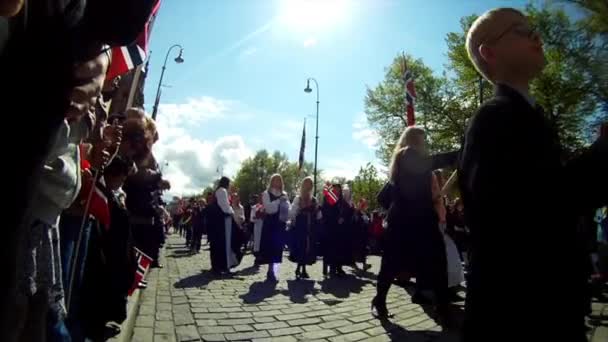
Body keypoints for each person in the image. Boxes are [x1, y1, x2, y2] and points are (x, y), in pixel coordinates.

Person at [459, 8, 607, 341]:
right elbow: (527, 212)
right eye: (521, 31)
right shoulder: (493, 118)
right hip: (518, 315)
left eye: (533, 29)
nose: (536, 37)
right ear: (490, 52)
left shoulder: (530, 115)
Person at [371, 126, 452, 319]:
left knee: (438, 262)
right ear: (414, 139)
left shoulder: (415, 160)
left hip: (423, 219)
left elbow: (384, 198)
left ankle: (442, 306)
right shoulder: (406, 155)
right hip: (403, 222)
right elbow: (429, 163)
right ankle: (379, 301)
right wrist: (458, 154)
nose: (425, 142)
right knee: (391, 264)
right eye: (422, 138)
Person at [288, 177, 321, 279]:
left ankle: (302, 269)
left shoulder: (314, 199)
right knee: (301, 247)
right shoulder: (298, 199)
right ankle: (300, 268)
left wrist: (317, 211)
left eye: (310, 184)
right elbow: (292, 213)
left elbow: (319, 214)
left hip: (311, 226)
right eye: (307, 184)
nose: (308, 186)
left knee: (308, 247)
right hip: (300, 226)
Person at [259, 174, 291, 281]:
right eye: (275, 180)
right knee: (269, 246)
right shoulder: (266, 193)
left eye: (279, 180)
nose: (277, 182)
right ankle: (270, 270)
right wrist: (278, 201)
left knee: (277, 248)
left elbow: (288, 209)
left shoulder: (284, 194)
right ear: (272, 181)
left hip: (280, 224)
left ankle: (273, 269)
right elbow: (268, 209)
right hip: (270, 223)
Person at [208, 177, 240, 274]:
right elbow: (225, 207)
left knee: (217, 243)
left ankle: (217, 266)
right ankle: (221, 266)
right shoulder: (222, 191)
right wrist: (232, 212)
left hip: (217, 220)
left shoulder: (219, 191)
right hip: (221, 220)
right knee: (222, 242)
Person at [321, 184, 354, 277]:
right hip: (330, 228)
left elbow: (348, 211)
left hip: (340, 229)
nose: (337, 191)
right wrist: (336, 219)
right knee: (330, 249)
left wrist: (344, 217)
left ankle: (339, 267)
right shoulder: (327, 198)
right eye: (335, 190)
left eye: (339, 190)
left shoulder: (342, 201)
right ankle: (331, 267)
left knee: (340, 248)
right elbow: (325, 211)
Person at [352, 199, 371, 271]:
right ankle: (353, 264)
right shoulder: (357, 213)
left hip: (364, 235)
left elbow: (368, 223)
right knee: (356, 250)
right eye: (364, 205)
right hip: (358, 235)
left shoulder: (365, 213)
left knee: (363, 250)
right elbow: (356, 223)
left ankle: (364, 265)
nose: (366, 206)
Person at [250, 194, 264, 259]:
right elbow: (251, 219)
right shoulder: (254, 207)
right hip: (257, 227)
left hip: (265, 227)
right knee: (257, 243)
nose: (261, 199)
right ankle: (257, 257)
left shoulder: (267, 207)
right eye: (260, 198)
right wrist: (257, 217)